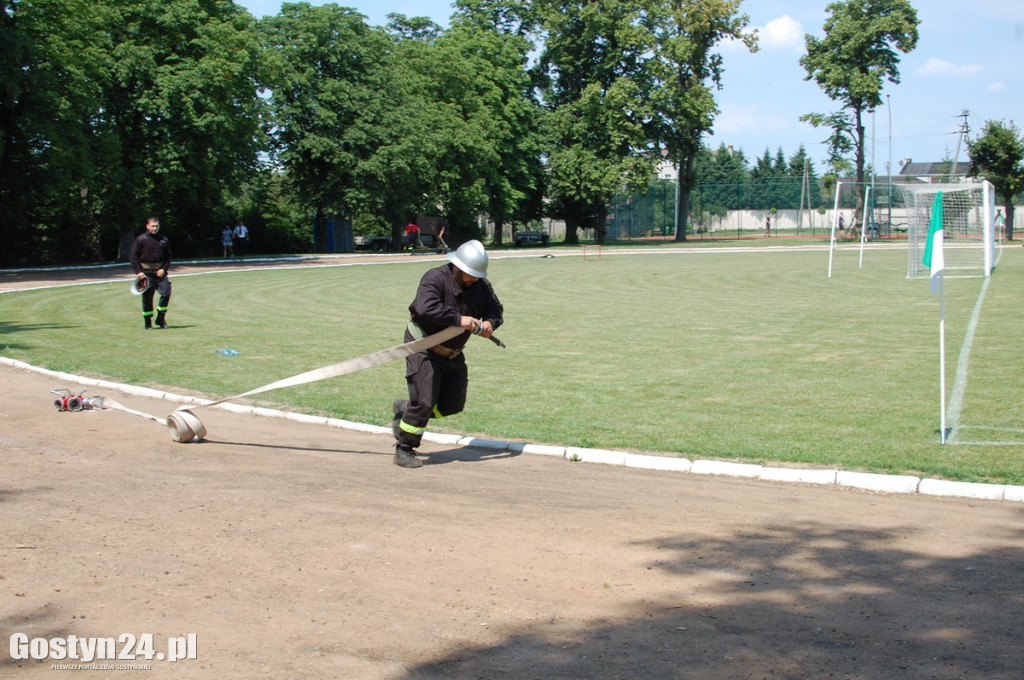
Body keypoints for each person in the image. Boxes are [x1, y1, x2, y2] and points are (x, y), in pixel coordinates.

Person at [391, 240, 504, 468]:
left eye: (476, 274)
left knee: (453, 404)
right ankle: (404, 449)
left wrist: (491, 323)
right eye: (469, 273)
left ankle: (405, 410)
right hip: (422, 345)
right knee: (424, 402)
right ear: (456, 266)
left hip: (452, 352)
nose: (473, 278)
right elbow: (424, 308)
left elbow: (495, 309)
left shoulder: (481, 285)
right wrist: (458, 319)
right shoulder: (434, 278)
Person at [130, 217, 172, 330]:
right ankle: (148, 323)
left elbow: (168, 257)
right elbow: (134, 258)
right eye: (152, 226)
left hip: (160, 272)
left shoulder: (163, 239)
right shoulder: (141, 239)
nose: (155, 228)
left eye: (157, 226)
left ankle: (160, 318)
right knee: (147, 298)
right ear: (147, 226)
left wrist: (164, 269)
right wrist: (138, 271)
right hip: (146, 273)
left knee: (166, 292)